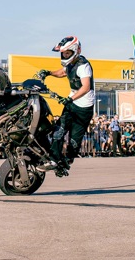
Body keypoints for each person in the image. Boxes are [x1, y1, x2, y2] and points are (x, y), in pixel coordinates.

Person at [38, 36, 95, 173]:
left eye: (67, 53)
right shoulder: (70, 63)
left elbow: (86, 87)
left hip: (84, 107)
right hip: (72, 102)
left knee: (74, 140)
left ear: (76, 51)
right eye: (63, 53)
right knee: (59, 129)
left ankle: (67, 161)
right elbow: (63, 72)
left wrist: (70, 99)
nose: (65, 56)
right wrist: (49, 73)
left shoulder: (83, 66)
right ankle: (53, 159)